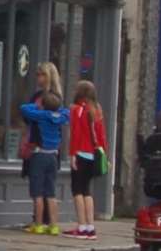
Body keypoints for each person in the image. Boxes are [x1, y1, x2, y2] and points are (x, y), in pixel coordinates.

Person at [20, 90, 69, 235]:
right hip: (53, 157)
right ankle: (54, 226)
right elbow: (66, 112)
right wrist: (56, 108)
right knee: (51, 193)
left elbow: (24, 108)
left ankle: (39, 224)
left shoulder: (40, 116)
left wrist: (37, 107)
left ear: (43, 106)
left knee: (38, 193)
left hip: (39, 155)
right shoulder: (60, 117)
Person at [68, 80, 108, 240]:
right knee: (87, 190)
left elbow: (75, 134)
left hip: (81, 154)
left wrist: (72, 154)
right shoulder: (97, 109)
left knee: (77, 190)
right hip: (94, 154)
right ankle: (91, 227)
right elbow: (102, 134)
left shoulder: (78, 109)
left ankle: (82, 226)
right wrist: (105, 153)